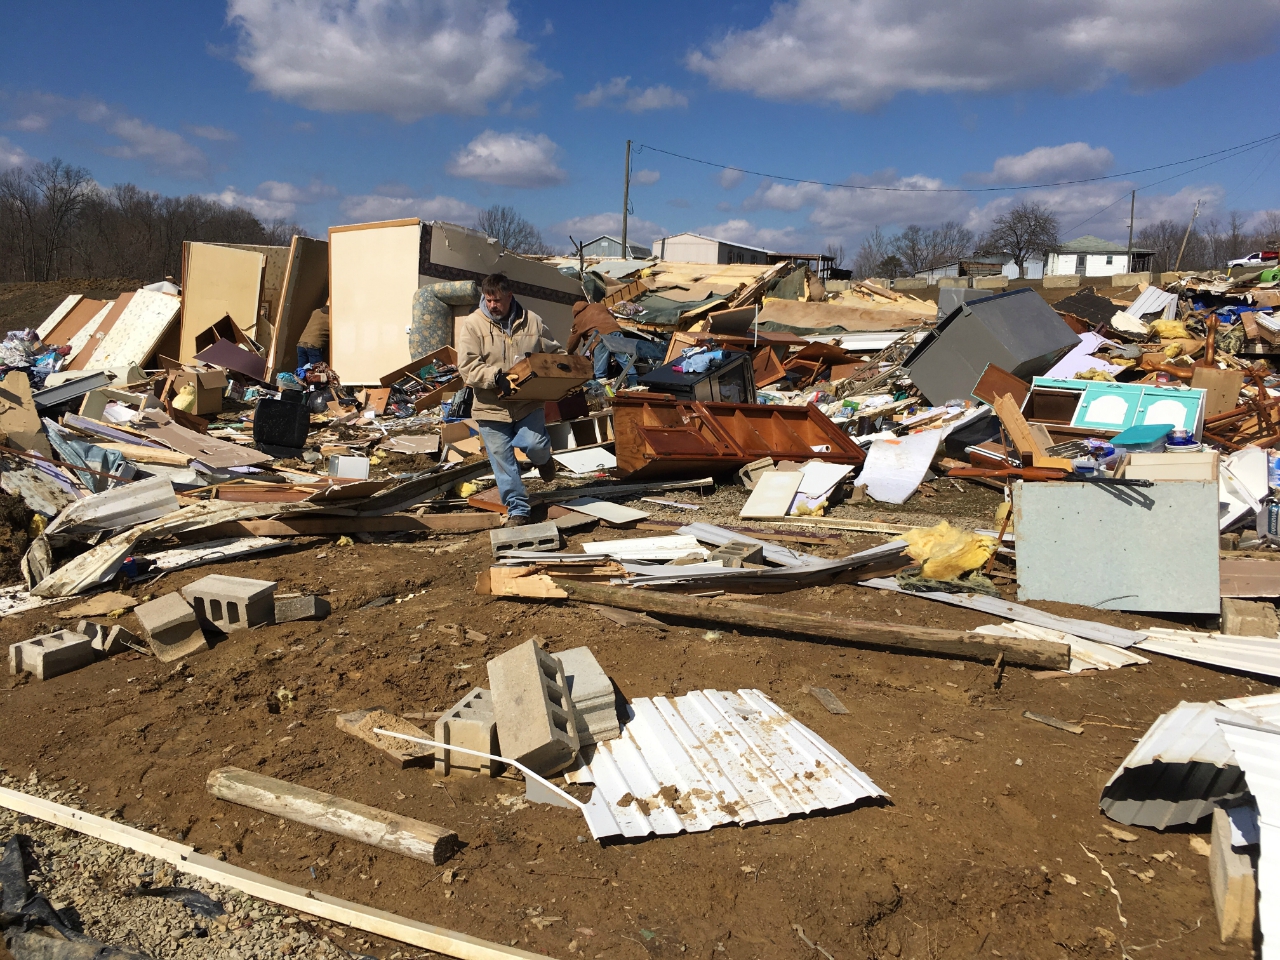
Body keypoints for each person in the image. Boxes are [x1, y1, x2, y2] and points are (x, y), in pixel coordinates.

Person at [457, 273, 561, 527]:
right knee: (503, 463)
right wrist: (495, 377)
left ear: (509, 296)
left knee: (534, 443)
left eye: (498, 300)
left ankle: (544, 459)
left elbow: (555, 353)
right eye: (488, 300)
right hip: (490, 407)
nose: (493, 305)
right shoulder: (473, 324)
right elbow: (466, 365)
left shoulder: (533, 322)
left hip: (528, 403)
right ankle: (518, 509)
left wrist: (564, 371)